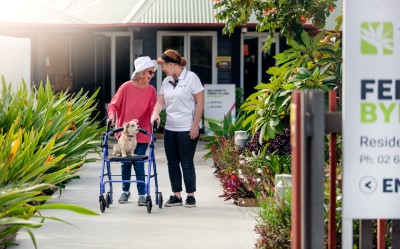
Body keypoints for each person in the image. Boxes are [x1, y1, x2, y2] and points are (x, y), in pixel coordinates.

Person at [151, 49, 204, 208]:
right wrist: (155, 114)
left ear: (172, 64)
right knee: (172, 163)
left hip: (187, 127)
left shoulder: (191, 78)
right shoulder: (166, 81)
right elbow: (160, 102)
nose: (163, 69)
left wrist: (195, 125)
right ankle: (176, 195)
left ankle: (190, 196)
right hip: (170, 128)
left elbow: (200, 102)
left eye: (163, 66)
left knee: (186, 162)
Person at [107, 56, 157, 206]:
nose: (152, 75)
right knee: (126, 162)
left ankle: (142, 193)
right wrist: (111, 116)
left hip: (142, 133)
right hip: (125, 133)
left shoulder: (151, 90)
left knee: (138, 162)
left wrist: (156, 117)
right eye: (150, 72)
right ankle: (125, 191)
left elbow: (153, 108)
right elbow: (113, 105)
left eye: (153, 72)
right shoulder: (126, 87)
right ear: (141, 72)